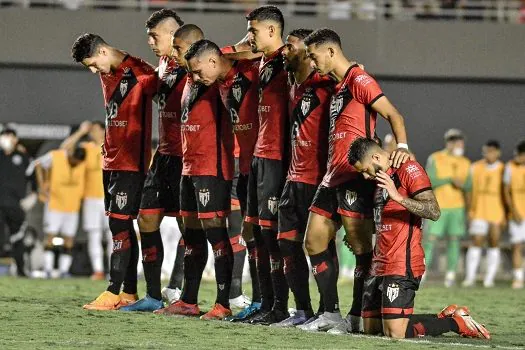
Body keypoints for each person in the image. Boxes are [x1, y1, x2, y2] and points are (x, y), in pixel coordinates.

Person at [301, 28, 410, 333]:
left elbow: (394, 115)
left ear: (331, 52)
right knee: (313, 241)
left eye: (314, 55)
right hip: (331, 177)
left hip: (354, 178)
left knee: (362, 250)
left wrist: (401, 147)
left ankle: (356, 317)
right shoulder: (339, 85)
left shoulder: (360, 81)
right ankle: (330, 312)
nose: (311, 61)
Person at [348, 137, 490, 340]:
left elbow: (433, 211)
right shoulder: (381, 180)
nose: (364, 176)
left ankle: (455, 322)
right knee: (372, 329)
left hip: (401, 264)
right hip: (378, 264)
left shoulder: (409, 169)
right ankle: (443, 316)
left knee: (395, 333)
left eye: (365, 169)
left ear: (377, 156)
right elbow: (383, 222)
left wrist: (398, 197)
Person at [154, 24, 235, 320]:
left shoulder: (221, 77)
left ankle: (224, 302)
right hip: (188, 166)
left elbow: (236, 57)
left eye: (178, 48)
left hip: (211, 168)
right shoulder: (190, 75)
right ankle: (188, 300)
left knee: (216, 234)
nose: (174, 53)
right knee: (190, 235)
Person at [71, 33, 157, 310]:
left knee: (119, 225)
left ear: (104, 51)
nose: (94, 71)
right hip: (110, 160)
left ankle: (112, 290)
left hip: (131, 162)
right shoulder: (107, 71)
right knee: (120, 225)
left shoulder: (142, 74)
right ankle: (129, 293)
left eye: (94, 64)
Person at [184, 39, 263, 321]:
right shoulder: (220, 78)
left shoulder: (251, 68)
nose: (195, 79)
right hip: (245, 166)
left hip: (265, 162)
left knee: (265, 235)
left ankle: (270, 304)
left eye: (197, 71)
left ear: (213, 61)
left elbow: (264, 51)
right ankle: (258, 302)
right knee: (251, 232)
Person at [119, 8, 186, 312]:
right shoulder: (163, 63)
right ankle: (154, 295)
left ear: (174, 35)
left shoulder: (195, 63)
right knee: (146, 219)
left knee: (194, 228)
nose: (149, 40)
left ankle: (200, 296)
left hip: (190, 157)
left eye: (154, 35)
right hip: (164, 155)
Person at [270, 28, 333, 327]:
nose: (285, 51)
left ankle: (329, 311)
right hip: (292, 179)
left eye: (291, 47)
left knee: (320, 247)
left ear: (308, 53)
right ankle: (303, 311)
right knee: (286, 245)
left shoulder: (326, 84)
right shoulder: (293, 85)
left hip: (316, 180)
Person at [241, 5, 291, 325]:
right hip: (259, 157)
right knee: (256, 233)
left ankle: (281, 307)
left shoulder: (289, 59)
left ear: (272, 31)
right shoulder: (264, 61)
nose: (249, 37)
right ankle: (265, 303)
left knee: (272, 236)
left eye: (254, 30)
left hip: (277, 158)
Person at [60, 121, 110, 281]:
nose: (91, 133)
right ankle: (98, 270)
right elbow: (64, 149)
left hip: (110, 197)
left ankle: (115, 272)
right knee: (94, 235)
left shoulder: (111, 145)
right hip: (90, 198)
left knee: (112, 236)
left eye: (94, 130)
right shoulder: (87, 148)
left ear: (103, 131)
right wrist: (81, 132)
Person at [424, 129, 471, 287]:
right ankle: (422, 273)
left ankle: (450, 275)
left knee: (454, 240)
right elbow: (429, 180)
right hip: (438, 206)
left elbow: (469, 185)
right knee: (430, 239)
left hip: (457, 208)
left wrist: (462, 185)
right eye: (454, 141)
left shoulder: (465, 162)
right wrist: (449, 179)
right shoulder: (436, 158)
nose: (457, 144)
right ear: (448, 142)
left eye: (459, 141)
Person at [34, 147, 86, 278]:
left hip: (73, 206)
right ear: (70, 154)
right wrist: (42, 187)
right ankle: (48, 269)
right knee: (50, 236)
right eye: (74, 160)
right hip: (55, 204)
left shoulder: (82, 163)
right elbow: (38, 164)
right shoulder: (56, 157)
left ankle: (63, 270)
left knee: (69, 239)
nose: (75, 163)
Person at [463, 140, 505, 288]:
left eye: (492, 151)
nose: (489, 154)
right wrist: (469, 209)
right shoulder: (475, 167)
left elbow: (506, 192)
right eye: (486, 151)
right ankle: (470, 277)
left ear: (498, 152)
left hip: (496, 211)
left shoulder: (503, 169)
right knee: (476, 242)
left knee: (494, 243)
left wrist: (506, 214)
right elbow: (468, 190)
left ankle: (489, 279)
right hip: (478, 210)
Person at [0, 128, 36, 277]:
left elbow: (33, 178)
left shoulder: (24, 158)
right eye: (4, 136)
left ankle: (21, 270)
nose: (6, 139)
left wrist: (33, 195)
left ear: (15, 139)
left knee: (18, 238)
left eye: (9, 136)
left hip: (16, 205)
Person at [504, 140, 525, 289]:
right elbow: (506, 191)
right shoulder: (510, 167)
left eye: (520, 154)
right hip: (517, 214)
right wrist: (514, 210)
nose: (516, 157)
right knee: (516, 246)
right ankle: (518, 278)